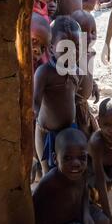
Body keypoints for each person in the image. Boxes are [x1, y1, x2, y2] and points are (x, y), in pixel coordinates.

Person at [33, 128, 109, 224]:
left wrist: (86, 214)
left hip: (78, 213)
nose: (76, 163)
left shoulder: (82, 173)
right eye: (67, 158)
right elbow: (34, 209)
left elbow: (84, 192)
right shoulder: (49, 182)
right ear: (55, 158)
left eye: (82, 157)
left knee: (104, 223)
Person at [33, 16, 81, 175]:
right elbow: (35, 102)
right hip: (46, 133)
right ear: (51, 47)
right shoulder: (45, 72)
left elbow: (80, 89)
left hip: (69, 132)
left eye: (77, 47)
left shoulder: (76, 68)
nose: (72, 53)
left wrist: (92, 85)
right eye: (65, 48)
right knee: (49, 173)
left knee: (69, 171)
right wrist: (33, 114)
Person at [71, 10, 99, 139]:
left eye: (93, 32)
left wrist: (93, 84)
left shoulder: (89, 53)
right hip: (74, 109)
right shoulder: (72, 57)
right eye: (83, 33)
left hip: (84, 105)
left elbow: (88, 73)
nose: (89, 37)